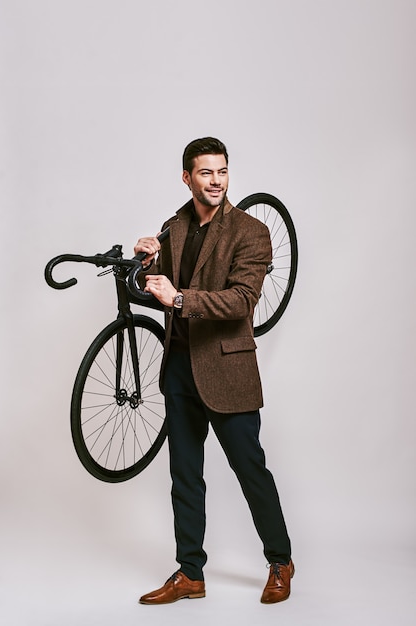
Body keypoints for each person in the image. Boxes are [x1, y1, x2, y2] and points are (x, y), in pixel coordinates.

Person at [134, 137, 293, 605]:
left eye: (222, 171)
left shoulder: (250, 231)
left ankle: (280, 562)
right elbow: (158, 285)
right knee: (185, 474)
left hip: (226, 370)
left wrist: (179, 298)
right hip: (180, 367)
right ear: (187, 177)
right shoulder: (174, 225)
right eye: (206, 173)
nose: (216, 180)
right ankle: (190, 574)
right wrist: (148, 261)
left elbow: (243, 300)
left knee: (250, 470)